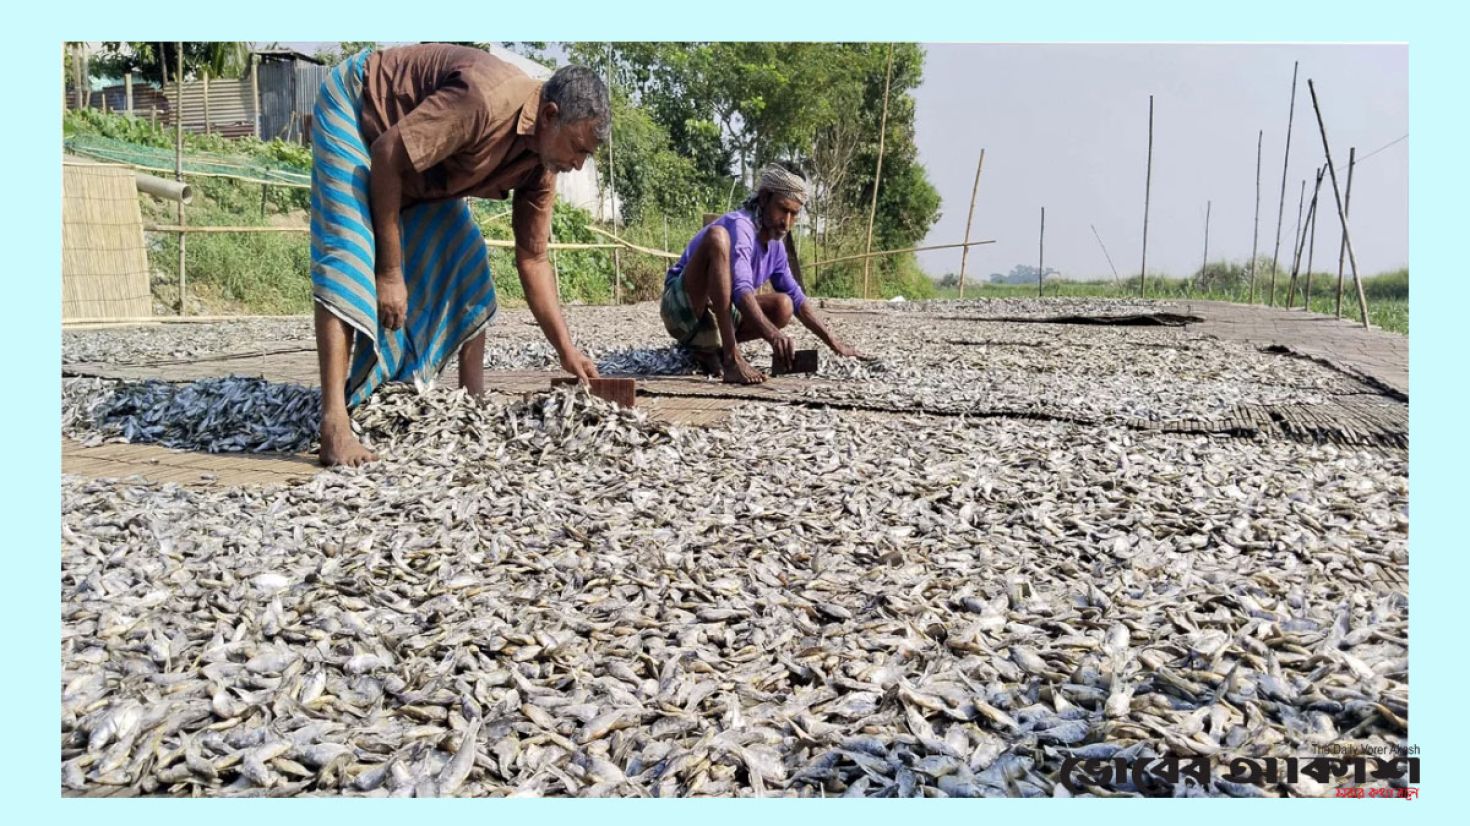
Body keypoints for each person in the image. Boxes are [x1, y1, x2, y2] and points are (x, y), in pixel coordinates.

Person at [310, 44, 606, 466]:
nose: (577, 164)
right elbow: (388, 154)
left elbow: (533, 259)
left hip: (418, 165)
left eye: (585, 156)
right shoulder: (484, 99)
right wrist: (391, 272)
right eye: (577, 149)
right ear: (550, 116)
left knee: (467, 257)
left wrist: (566, 350)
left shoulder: (542, 164)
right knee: (352, 255)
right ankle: (334, 424)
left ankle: (472, 400)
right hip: (358, 110)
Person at [660, 164, 863, 383]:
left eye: (793, 214)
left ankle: (708, 349)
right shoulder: (742, 226)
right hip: (681, 311)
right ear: (765, 198)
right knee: (717, 237)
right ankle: (730, 358)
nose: (786, 222)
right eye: (782, 209)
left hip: (717, 318)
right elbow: (741, 291)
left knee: (784, 305)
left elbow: (798, 301)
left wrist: (835, 343)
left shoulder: (776, 248)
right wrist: (773, 335)